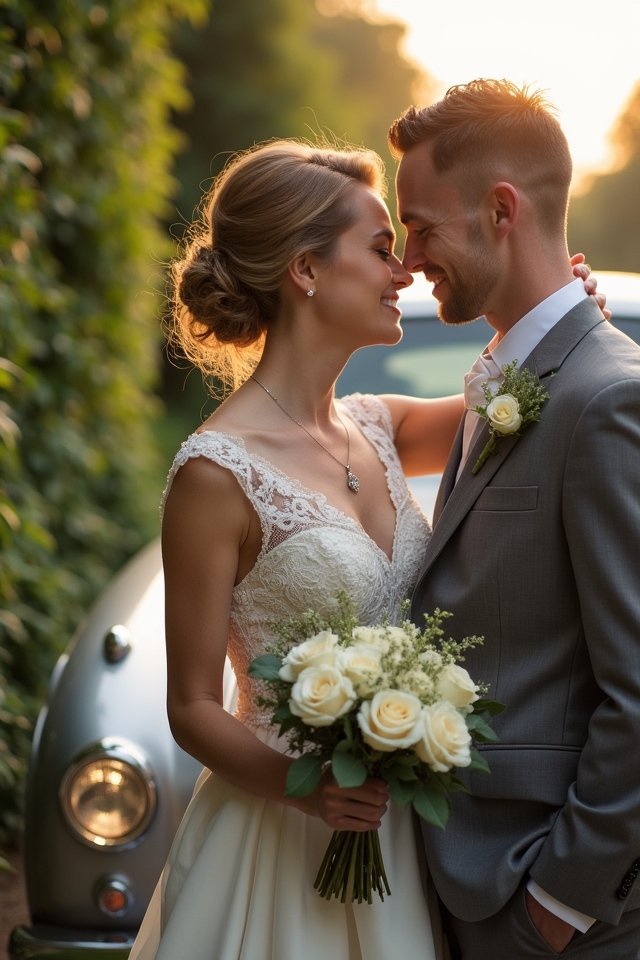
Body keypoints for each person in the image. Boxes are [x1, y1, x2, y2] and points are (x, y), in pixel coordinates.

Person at [128, 137, 602, 960]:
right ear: (306, 271)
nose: (405, 272)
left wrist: (561, 307)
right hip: (279, 839)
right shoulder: (215, 474)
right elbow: (193, 706)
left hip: (403, 839)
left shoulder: (378, 424)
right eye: (382, 249)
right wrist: (311, 795)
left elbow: (514, 395)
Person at [393, 79, 640, 959]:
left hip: (556, 914)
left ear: (501, 209)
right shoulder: (500, 375)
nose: (410, 255)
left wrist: (560, 902)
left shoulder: (609, 397)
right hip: (458, 885)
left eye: (421, 225)